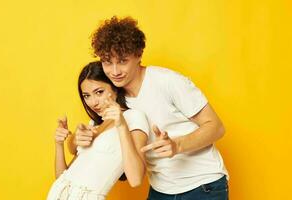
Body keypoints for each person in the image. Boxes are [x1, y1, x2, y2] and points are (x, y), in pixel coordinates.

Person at [71, 16, 229, 200]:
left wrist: (177, 145)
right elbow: (88, 139)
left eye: (122, 61)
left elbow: (216, 127)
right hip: (161, 190)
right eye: (107, 62)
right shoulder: (113, 96)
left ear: (138, 55)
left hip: (202, 186)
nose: (115, 71)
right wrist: (75, 139)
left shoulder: (167, 81)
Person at [47, 61, 149, 200]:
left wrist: (121, 126)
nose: (93, 102)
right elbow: (62, 180)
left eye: (99, 92)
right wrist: (59, 144)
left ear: (115, 88)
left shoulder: (133, 117)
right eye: (86, 96)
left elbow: (136, 179)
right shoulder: (94, 124)